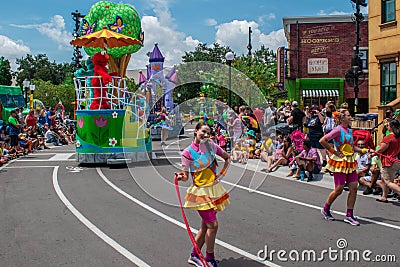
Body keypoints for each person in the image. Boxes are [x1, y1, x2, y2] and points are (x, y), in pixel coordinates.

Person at [176, 122, 230, 267]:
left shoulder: (211, 146)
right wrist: (181, 177)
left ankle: (194, 255)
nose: (206, 135)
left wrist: (221, 174)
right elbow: (186, 175)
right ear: (196, 131)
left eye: (208, 133)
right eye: (203, 132)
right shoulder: (187, 153)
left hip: (212, 190)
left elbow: (227, 158)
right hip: (200, 192)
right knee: (213, 225)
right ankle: (209, 258)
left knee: (206, 226)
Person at [319, 109, 365, 226]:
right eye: (348, 115)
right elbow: (322, 140)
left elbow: (351, 147)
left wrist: (363, 150)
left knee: (354, 187)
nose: (350, 117)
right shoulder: (337, 130)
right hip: (340, 162)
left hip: (350, 161)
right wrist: (333, 152)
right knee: (338, 189)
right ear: (342, 118)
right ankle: (326, 209)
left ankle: (349, 215)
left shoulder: (349, 130)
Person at [370, 119, 400, 203]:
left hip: (389, 161)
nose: (387, 127)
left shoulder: (389, 137)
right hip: (395, 160)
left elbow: (381, 149)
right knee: (384, 179)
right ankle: (384, 196)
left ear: (392, 127)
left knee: (388, 182)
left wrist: (372, 154)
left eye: (388, 125)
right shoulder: (398, 137)